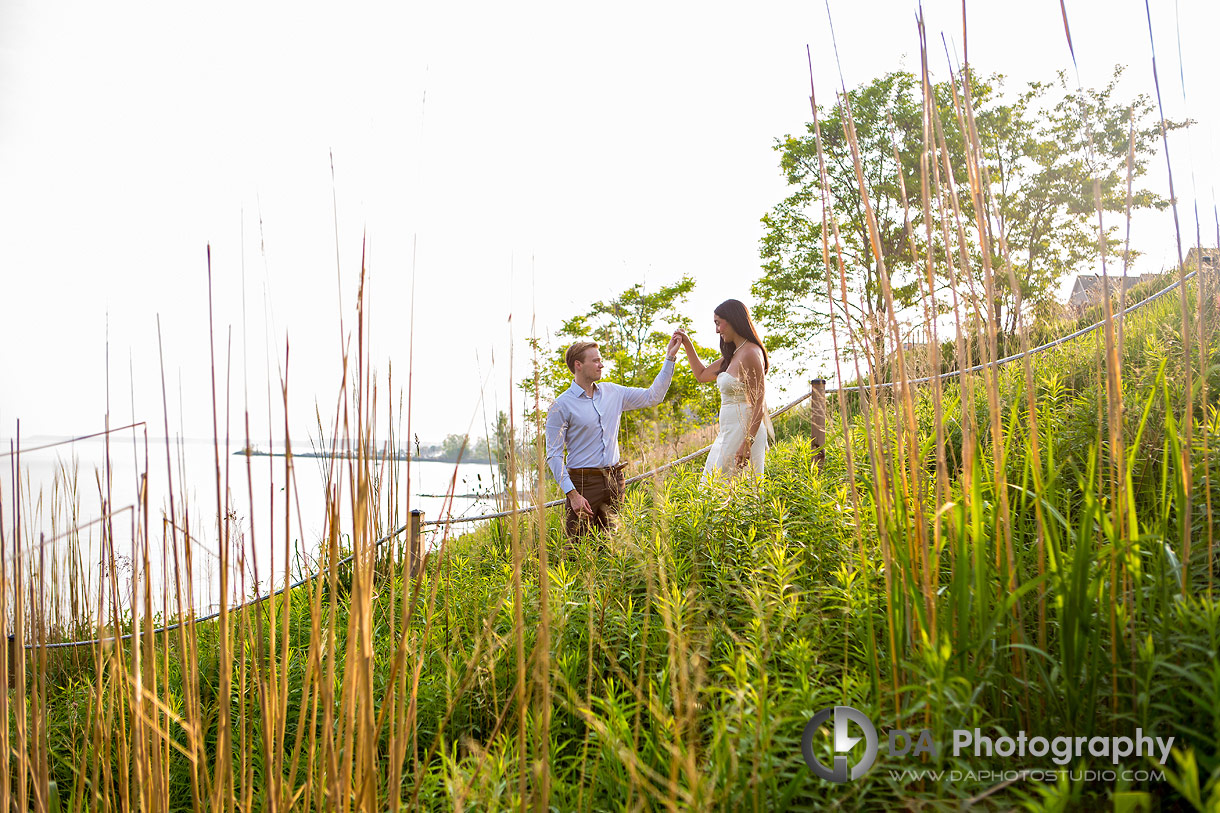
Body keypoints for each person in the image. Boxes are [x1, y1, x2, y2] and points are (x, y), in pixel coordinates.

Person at [545, 335, 683, 538]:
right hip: (583, 485)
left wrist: (670, 358)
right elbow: (553, 455)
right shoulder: (560, 405)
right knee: (577, 547)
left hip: (614, 480)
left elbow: (653, 396)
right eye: (595, 361)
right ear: (578, 365)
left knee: (613, 546)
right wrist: (572, 495)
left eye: (600, 360)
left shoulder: (614, 392)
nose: (601, 365)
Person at [675, 299, 771, 479]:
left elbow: (759, 403)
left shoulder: (751, 352)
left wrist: (748, 442)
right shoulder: (733, 356)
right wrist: (686, 343)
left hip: (745, 433)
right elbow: (701, 375)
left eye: (718, 323)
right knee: (712, 484)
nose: (717, 330)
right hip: (727, 433)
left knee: (738, 487)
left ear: (733, 320)